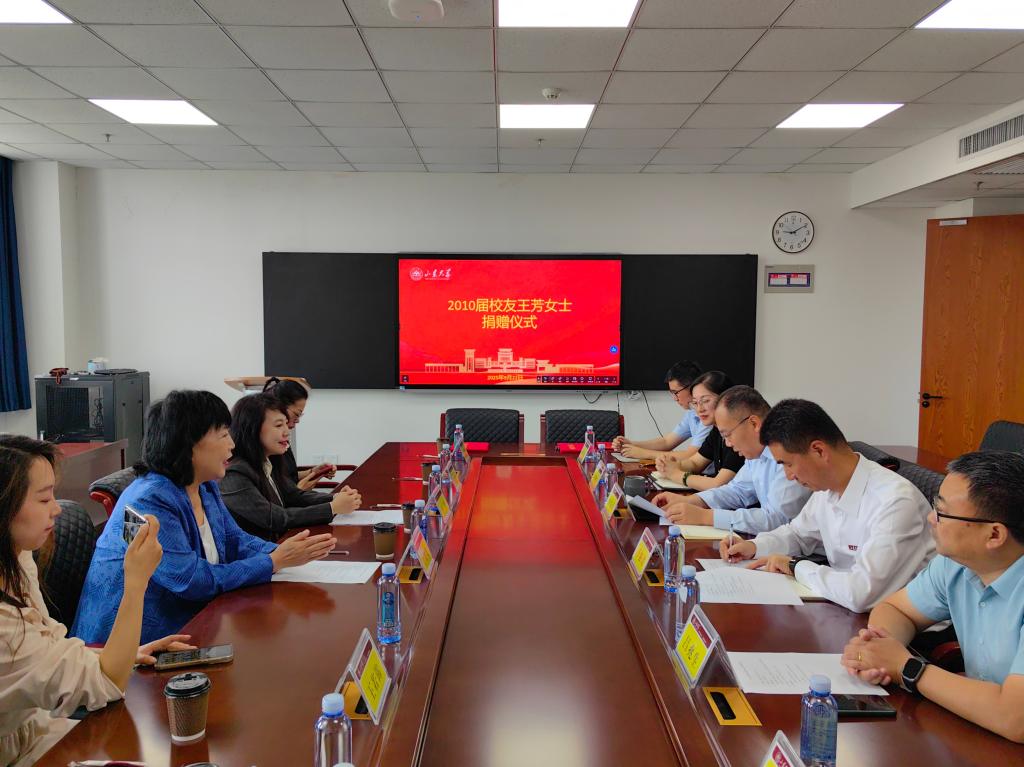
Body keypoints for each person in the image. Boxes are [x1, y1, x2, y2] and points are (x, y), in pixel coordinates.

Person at [73, 391, 336, 645]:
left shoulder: (204, 485)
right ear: (190, 443)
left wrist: (287, 552)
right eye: (223, 435)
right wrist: (272, 562)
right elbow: (189, 580)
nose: (232, 444)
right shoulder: (145, 502)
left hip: (194, 623)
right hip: (131, 647)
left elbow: (235, 540)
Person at [0, 435, 192, 767]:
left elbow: (46, 645)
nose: (57, 508)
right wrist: (136, 582)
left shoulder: (16, 557)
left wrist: (118, 654)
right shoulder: (5, 627)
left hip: (38, 729)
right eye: (44, 498)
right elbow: (106, 682)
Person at [840, 451, 1024, 742]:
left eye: (942, 512)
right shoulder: (956, 564)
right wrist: (880, 650)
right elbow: (896, 609)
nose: (930, 517)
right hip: (980, 730)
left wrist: (907, 668)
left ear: (994, 535)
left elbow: (1015, 718)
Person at [720, 399, 934, 613]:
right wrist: (754, 547)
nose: (789, 475)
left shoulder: (895, 502)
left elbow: (862, 593)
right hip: (841, 606)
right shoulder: (826, 488)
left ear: (819, 451)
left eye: (788, 464)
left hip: (895, 623)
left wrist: (795, 566)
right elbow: (797, 534)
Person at [652, 385, 810, 532]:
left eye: (728, 434)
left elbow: (777, 519)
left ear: (754, 423)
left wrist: (705, 517)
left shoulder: (790, 452)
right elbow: (737, 491)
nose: (727, 443)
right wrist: (692, 501)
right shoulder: (756, 453)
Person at [220, 393, 361, 540]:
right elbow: (275, 518)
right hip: (266, 550)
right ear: (252, 428)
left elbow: (293, 495)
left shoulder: (268, 460)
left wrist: (335, 498)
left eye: (286, 424)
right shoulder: (234, 473)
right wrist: (332, 508)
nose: (287, 432)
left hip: (283, 542)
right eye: (279, 425)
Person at [653, 371, 744, 492]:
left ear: (726, 399)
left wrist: (675, 474)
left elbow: (718, 484)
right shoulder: (716, 430)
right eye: (695, 403)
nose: (699, 409)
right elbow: (695, 463)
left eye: (705, 401)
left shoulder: (740, 433)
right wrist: (671, 465)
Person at [611, 361, 711, 461]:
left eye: (676, 392)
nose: (675, 398)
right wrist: (631, 444)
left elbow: (691, 456)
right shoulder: (691, 413)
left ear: (692, 387)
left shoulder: (708, 415)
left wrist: (643, 453)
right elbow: (667, 442)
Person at [263, 377, 335, 491]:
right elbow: (278, 495)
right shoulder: (267, 446)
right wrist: (299, 491)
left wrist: (313, 472)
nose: (297, 422)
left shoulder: (281, 440)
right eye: (296, 415)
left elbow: (287, 477)